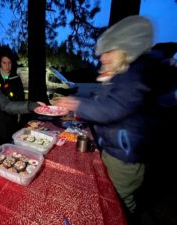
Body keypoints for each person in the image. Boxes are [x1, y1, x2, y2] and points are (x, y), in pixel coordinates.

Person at [54, 16, 167, 223]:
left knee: (118, 201)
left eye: (107, 52)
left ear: (125, 49)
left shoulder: (136, 76)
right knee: (108, 193)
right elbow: (101, 100)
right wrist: (80, 104)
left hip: (126, 158)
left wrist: (76, 104)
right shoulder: (124, 75)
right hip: (114, 150)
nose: (102, 58)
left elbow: (112, 109)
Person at [0, 51, 26, 144]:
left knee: (11, 140)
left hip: (12, 117)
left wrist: (20, 115)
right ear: (0, 63)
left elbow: (21, 97)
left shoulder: (16, 78)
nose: (7, 66)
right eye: (4, 63)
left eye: (9, 63)